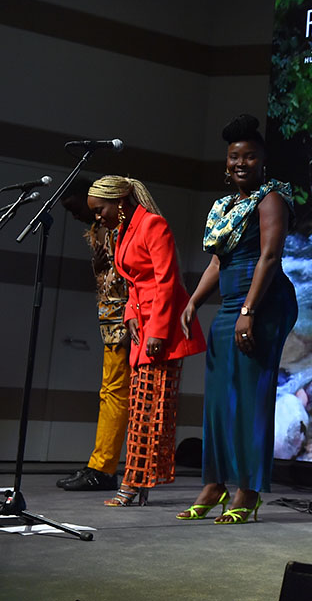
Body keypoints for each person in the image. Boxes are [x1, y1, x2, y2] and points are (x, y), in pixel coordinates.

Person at [177, 114, 298, 524]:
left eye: (248, 156)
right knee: (218, 401)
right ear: (226, 163)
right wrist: (194, 300)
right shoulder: (227, 206)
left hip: (263, 304)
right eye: (233, 157)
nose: (240, 163)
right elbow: (218, 260)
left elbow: (269, 255)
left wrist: (248, 311)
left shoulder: (271, 199)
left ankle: (247, 490)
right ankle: (214, 483)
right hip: (231, 306)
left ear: (262, 161)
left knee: (250, 400)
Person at [87, 176, 206, 506]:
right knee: (141, 406)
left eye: (100, 210)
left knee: (149, 410)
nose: (98, 217)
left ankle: (134, 482)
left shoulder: (153, 225)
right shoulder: (124, 230)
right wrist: (130, 316)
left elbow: (166, 280)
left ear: (119, 201)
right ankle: (136, 482)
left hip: (161, 327)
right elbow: (134, 284)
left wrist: (156, 330)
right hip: (143, 325)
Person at [55, 178, 129, 492]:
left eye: (79, 209)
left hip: (127, 322)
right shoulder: (101, 231)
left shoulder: (121, 228)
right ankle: (100, 463)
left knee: (115, 393)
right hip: (111, 321)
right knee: (109, 392)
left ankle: (103, 467)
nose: (80, 216)